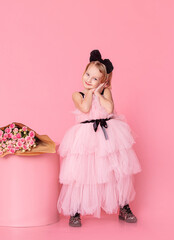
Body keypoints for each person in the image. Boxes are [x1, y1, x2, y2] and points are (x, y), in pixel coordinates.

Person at [57, 49, 142, 227]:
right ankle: (75, 211)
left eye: (94, 78)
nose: (88, 80)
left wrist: (98, 92)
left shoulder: (105, 93)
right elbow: (86, 108)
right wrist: (89, 92)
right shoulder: (77, 95)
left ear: (102, 81)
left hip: (108, 136)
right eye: (87, 74)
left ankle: (123, 206)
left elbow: (109, 109)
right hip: (86, 139)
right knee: (82, 173)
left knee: (115, 171)